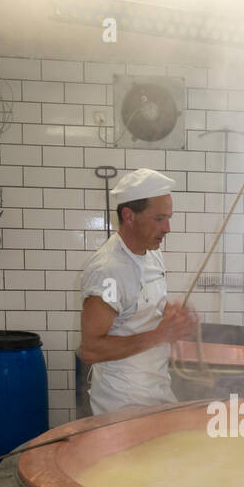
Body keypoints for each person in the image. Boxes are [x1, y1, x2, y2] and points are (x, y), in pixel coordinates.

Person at [79, 168, 197, 413]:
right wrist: (160, 335)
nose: (167, 228)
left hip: (158, 391)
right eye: (159, 219)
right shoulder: (108, 271)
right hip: (123, 403)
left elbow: (136, 305)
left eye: (169, 218)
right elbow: (90, 349)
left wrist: (170, 313)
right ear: (129, 216)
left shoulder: (152, 252)